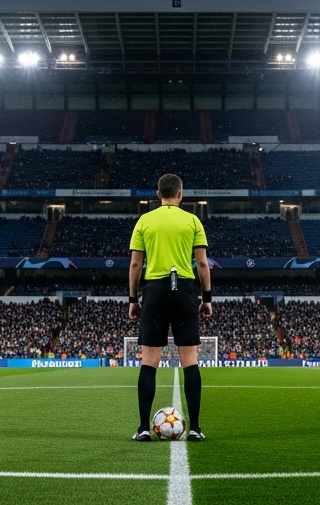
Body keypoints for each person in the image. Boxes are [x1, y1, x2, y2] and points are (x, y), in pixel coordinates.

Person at [128, 173, 213, 442]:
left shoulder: (145, 220)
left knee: (148, 362)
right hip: (185, 290)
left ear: (157, 194)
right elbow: (202, 263)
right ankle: (196, 428)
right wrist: (207, 297)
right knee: (190, 360)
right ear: (180, 194)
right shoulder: (192, 220)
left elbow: (134, 265)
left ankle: (143, 428)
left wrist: (133, 299)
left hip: (155, 290)